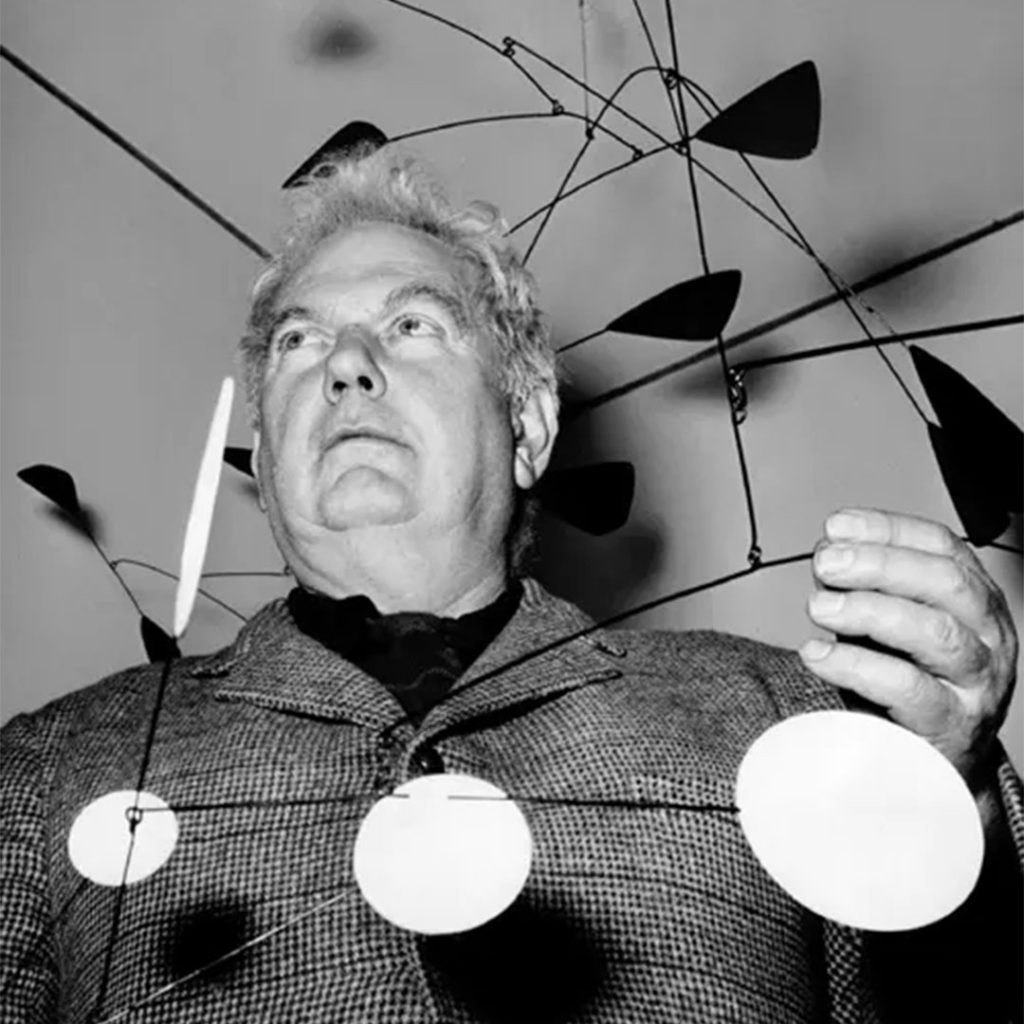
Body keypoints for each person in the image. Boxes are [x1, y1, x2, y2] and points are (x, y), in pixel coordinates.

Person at [1, 144, 1020, 1024]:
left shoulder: (787, 720)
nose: (345, 365)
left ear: (528, 424)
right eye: (300, 341)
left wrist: (947, 803)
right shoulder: (46, 773)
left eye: (412, 326)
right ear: (261, 459)